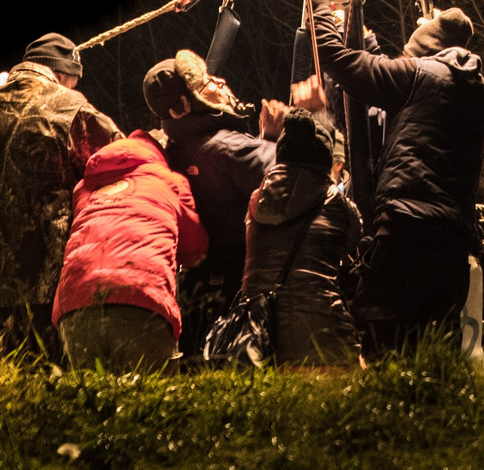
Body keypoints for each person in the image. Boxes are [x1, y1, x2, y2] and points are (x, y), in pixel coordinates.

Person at [307, 0, 484, 353]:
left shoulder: (417, 75)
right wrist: (368, 39)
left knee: (382, 334)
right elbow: (396, 86)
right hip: (453, 237)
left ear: (425, 50)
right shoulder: (473, 91)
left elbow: (335, 57)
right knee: (436, 349)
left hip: (406, 229)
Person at [0, 31, 118, 355]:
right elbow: (119, 153)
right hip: (48, 288)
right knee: (52, 393)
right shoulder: (70, 105)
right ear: (65, 73)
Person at [145, 48, 281, 355]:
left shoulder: (173, 151)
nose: (219, 82)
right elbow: (288, 185)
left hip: (205, 293)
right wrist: (280, 139)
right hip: (251, 287)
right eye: (205, 84)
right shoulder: (229, 148)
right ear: (182, 108)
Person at [52, 125, 205, 371]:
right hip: (141, 300)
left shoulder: (83, 188)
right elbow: (195, 248)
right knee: (152, 402)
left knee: (90, 404)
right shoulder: (171, 180)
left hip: (74, 305)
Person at [236, 109, 362, 367]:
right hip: (323, 331)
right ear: (324, 159)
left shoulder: (255, 201)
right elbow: (354, 240)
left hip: (260, 333)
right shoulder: (335, 202)